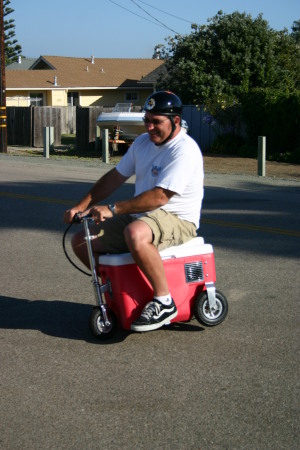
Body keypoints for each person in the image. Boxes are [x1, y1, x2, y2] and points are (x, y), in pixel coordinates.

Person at [63, 91, 204, 332]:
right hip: (143, 216)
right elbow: (114, 178)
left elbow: (159, 198)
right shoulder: (142, 143)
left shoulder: (184, 150)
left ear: (175, 121)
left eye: (156, 122)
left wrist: (112, 209)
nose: (149, 127)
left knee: (135, 233)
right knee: (81, 241)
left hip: (178, 219)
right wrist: (82, 205)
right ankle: (120, 292)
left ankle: (164, 301)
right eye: (146, 120)